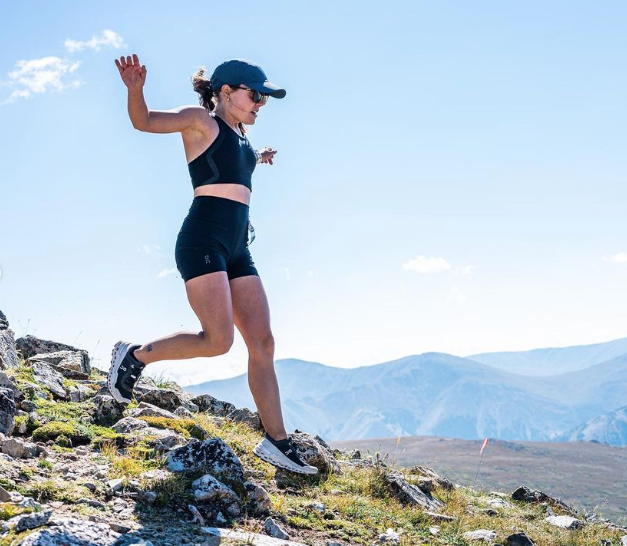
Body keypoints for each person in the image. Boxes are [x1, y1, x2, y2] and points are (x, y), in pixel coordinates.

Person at [107, 54, 318, 476]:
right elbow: (144, 121)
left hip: (237, 246)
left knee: (264, 343)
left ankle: (278, 442)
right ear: (225, 91)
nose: (261, 103)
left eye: (265, 98)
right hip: (202, 240)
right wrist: (135, 90)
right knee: (218, 340)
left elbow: (238, 159)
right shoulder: (200, 121)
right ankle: (135, 355)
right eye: (255, 95)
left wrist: (261, 156)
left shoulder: (241, 135)